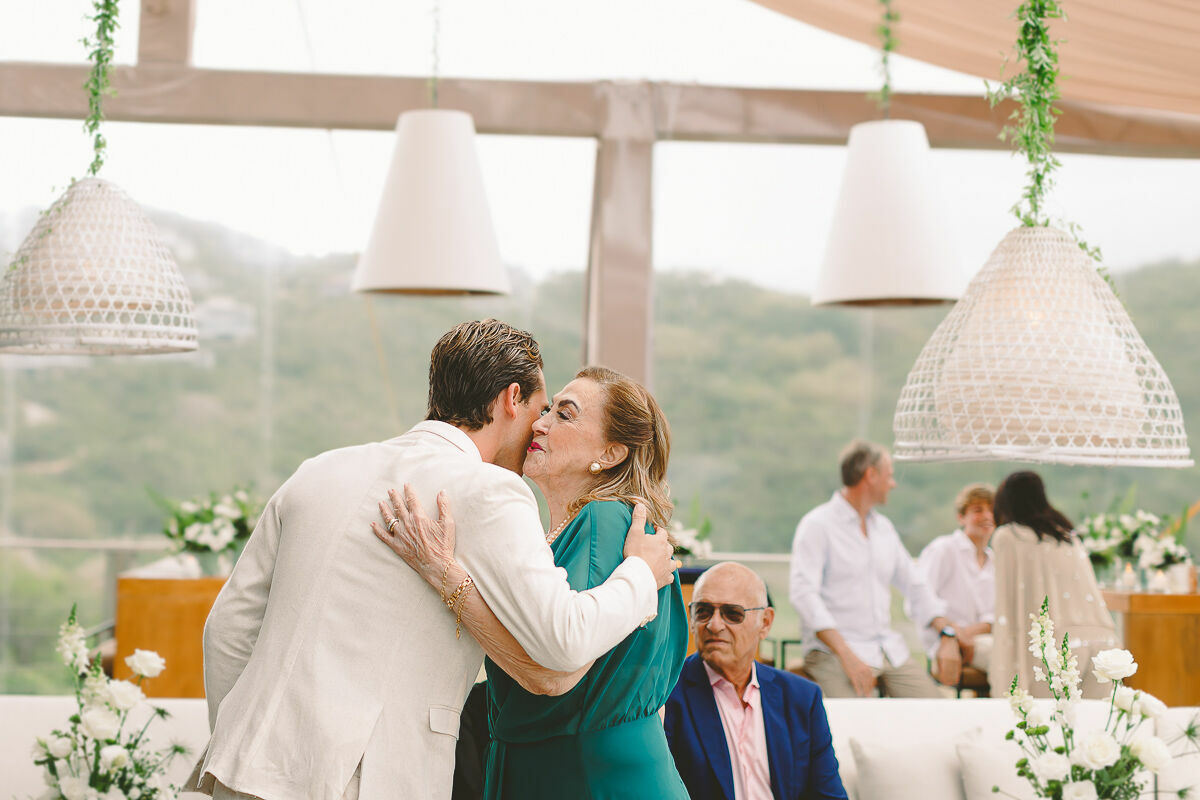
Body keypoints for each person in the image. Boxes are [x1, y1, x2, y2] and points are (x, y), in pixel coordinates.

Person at [188, 320, 678, 800]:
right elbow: (563, 641)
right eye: (541, 408)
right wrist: (641, 574)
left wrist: (248, 741)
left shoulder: (318, 470)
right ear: (512, 399)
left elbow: (227, 629)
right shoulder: (490, 490)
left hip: (247, 771)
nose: (540, 425)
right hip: (368, 779)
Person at [375, 365, 689, 799]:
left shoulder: (604, 520)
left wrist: (446, 575)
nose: (539, 424)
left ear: (612, 453)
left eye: (565, 414)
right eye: (546, 410)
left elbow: (554, 674)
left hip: (586, 777)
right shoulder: (566, 534)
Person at [788, 440, 961, 698]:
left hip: (888, 650)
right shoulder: (817, 525)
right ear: (871, 475)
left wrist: (946, 634)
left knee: (935, 710)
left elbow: (915, 584)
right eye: (889, 476)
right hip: (833, 653)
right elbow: (803, 595)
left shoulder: (884, 529)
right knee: (853, 718)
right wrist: (846, 655)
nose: (893, 484)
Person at [664, 562, 848, 800]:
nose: (714, 625)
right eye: (703, 611)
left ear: (765, 622)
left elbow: (829, 795)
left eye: (732, 613)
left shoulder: (802, 698)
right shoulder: (666, 695)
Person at [988, 471, 1117, 699]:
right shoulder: (1067, 536)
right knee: (1092, 720)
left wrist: (1008, 675)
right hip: (1103, 643)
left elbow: (1007, 608)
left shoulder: (1009, 536)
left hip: (1055, 647)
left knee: (1043, 720)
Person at [916, 482, 996, 674]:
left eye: (992, 510)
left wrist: (969, 633)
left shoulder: (995, 560)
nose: (987, 516)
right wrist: (953, 634)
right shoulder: (943, 549)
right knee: (1007, 658)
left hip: (984, 638)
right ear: (961, 517)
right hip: (945, 640)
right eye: (978, 510)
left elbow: (995, 615)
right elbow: (920, 599)